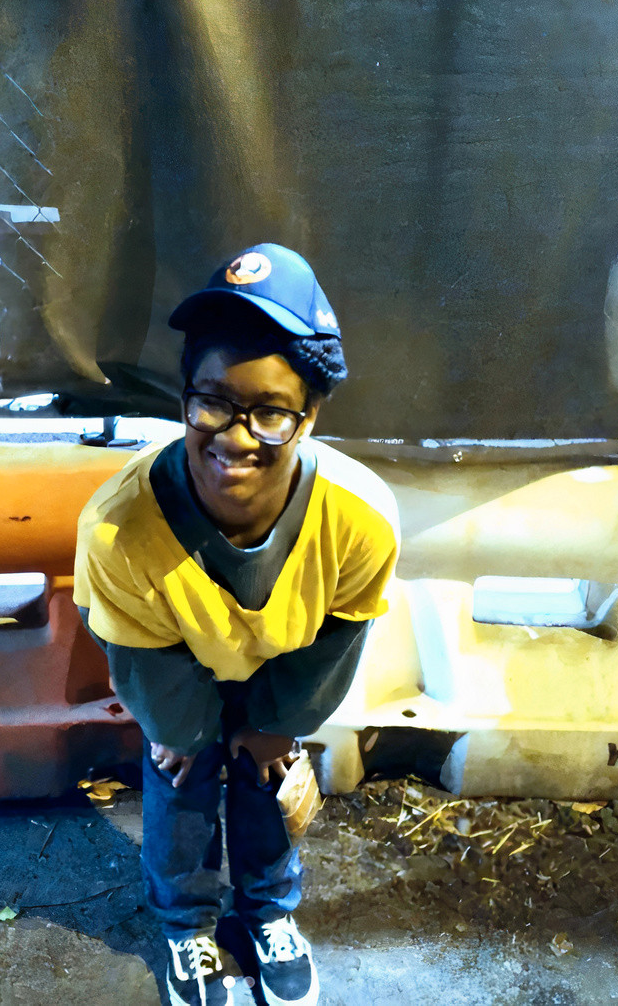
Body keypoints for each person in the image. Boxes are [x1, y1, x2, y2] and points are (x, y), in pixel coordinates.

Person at [73, 243, 399, 1006]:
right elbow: (135, 650)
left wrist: (281, 724)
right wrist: (177, 728)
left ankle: (269, 911)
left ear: (312, 413)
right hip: (172, 658)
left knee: (266, 772)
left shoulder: (361, 522)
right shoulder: (118, 528)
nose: (235, 436)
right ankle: (187, 923)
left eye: (271, 412)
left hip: (283, 664)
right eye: (212, 401)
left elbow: (337, 640)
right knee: (180, 777)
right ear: (186, 395)